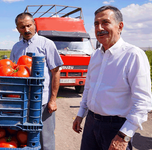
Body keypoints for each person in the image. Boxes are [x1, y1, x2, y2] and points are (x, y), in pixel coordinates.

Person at [72, 5, 152, 150]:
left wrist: (124, 135)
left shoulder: (133, 55)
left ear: (120, 26)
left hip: (116, 128)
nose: (99, 27)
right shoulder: (95, 55)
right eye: (96, 23)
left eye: (105, 22)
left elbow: (143, 102)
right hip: (91, 124)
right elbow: (88, 88)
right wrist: (80, 115)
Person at [10, 12, 63, 150]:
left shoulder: (46, 44)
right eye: (22, 27)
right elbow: (11, 71)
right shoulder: (16, 47)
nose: (26, 30)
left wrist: (53, 99)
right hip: (22, 102)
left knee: (46, 139)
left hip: (43, 101)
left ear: (34, 25)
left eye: (29, 25)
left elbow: (56, 72)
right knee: (24, 137)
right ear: (17, 29)